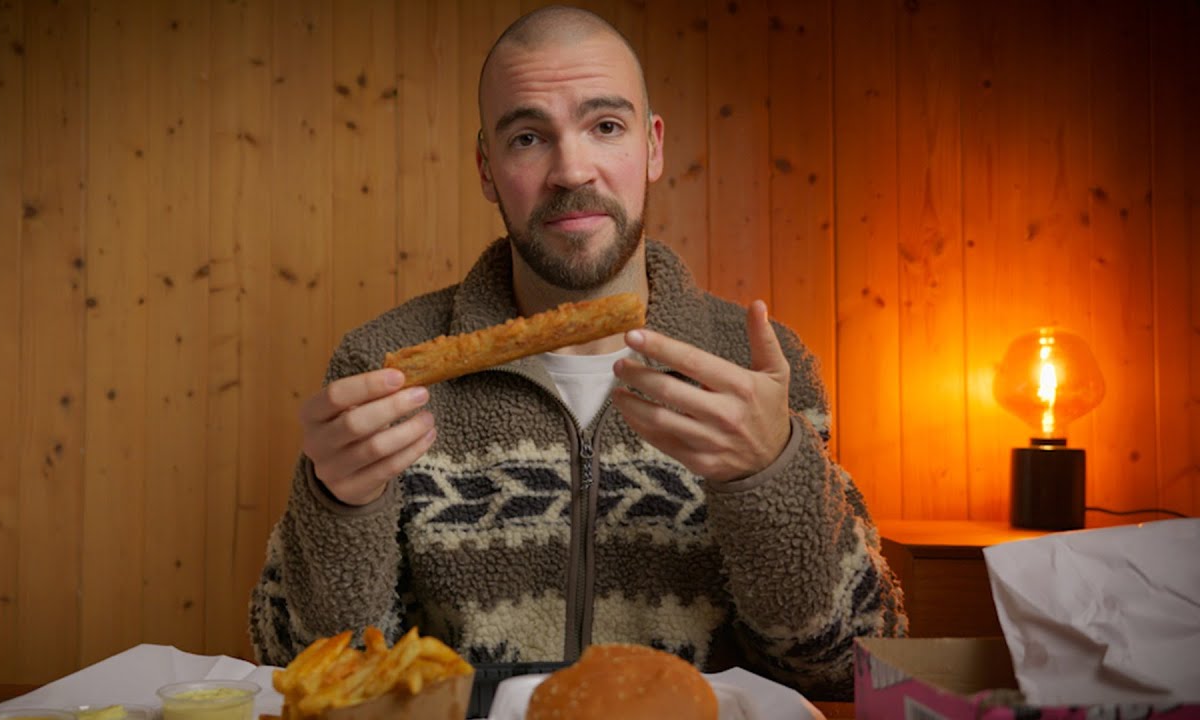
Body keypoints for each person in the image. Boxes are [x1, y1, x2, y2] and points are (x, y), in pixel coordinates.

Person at [249, 5, 906, 699]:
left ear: (652, 147)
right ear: (487, 168)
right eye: (528, 137)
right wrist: (339, 506)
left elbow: (850, 669)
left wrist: (771, 475)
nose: (571, 169)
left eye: (606, 126)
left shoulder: (760, 370)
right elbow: (290, 667)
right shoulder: (380, 364)